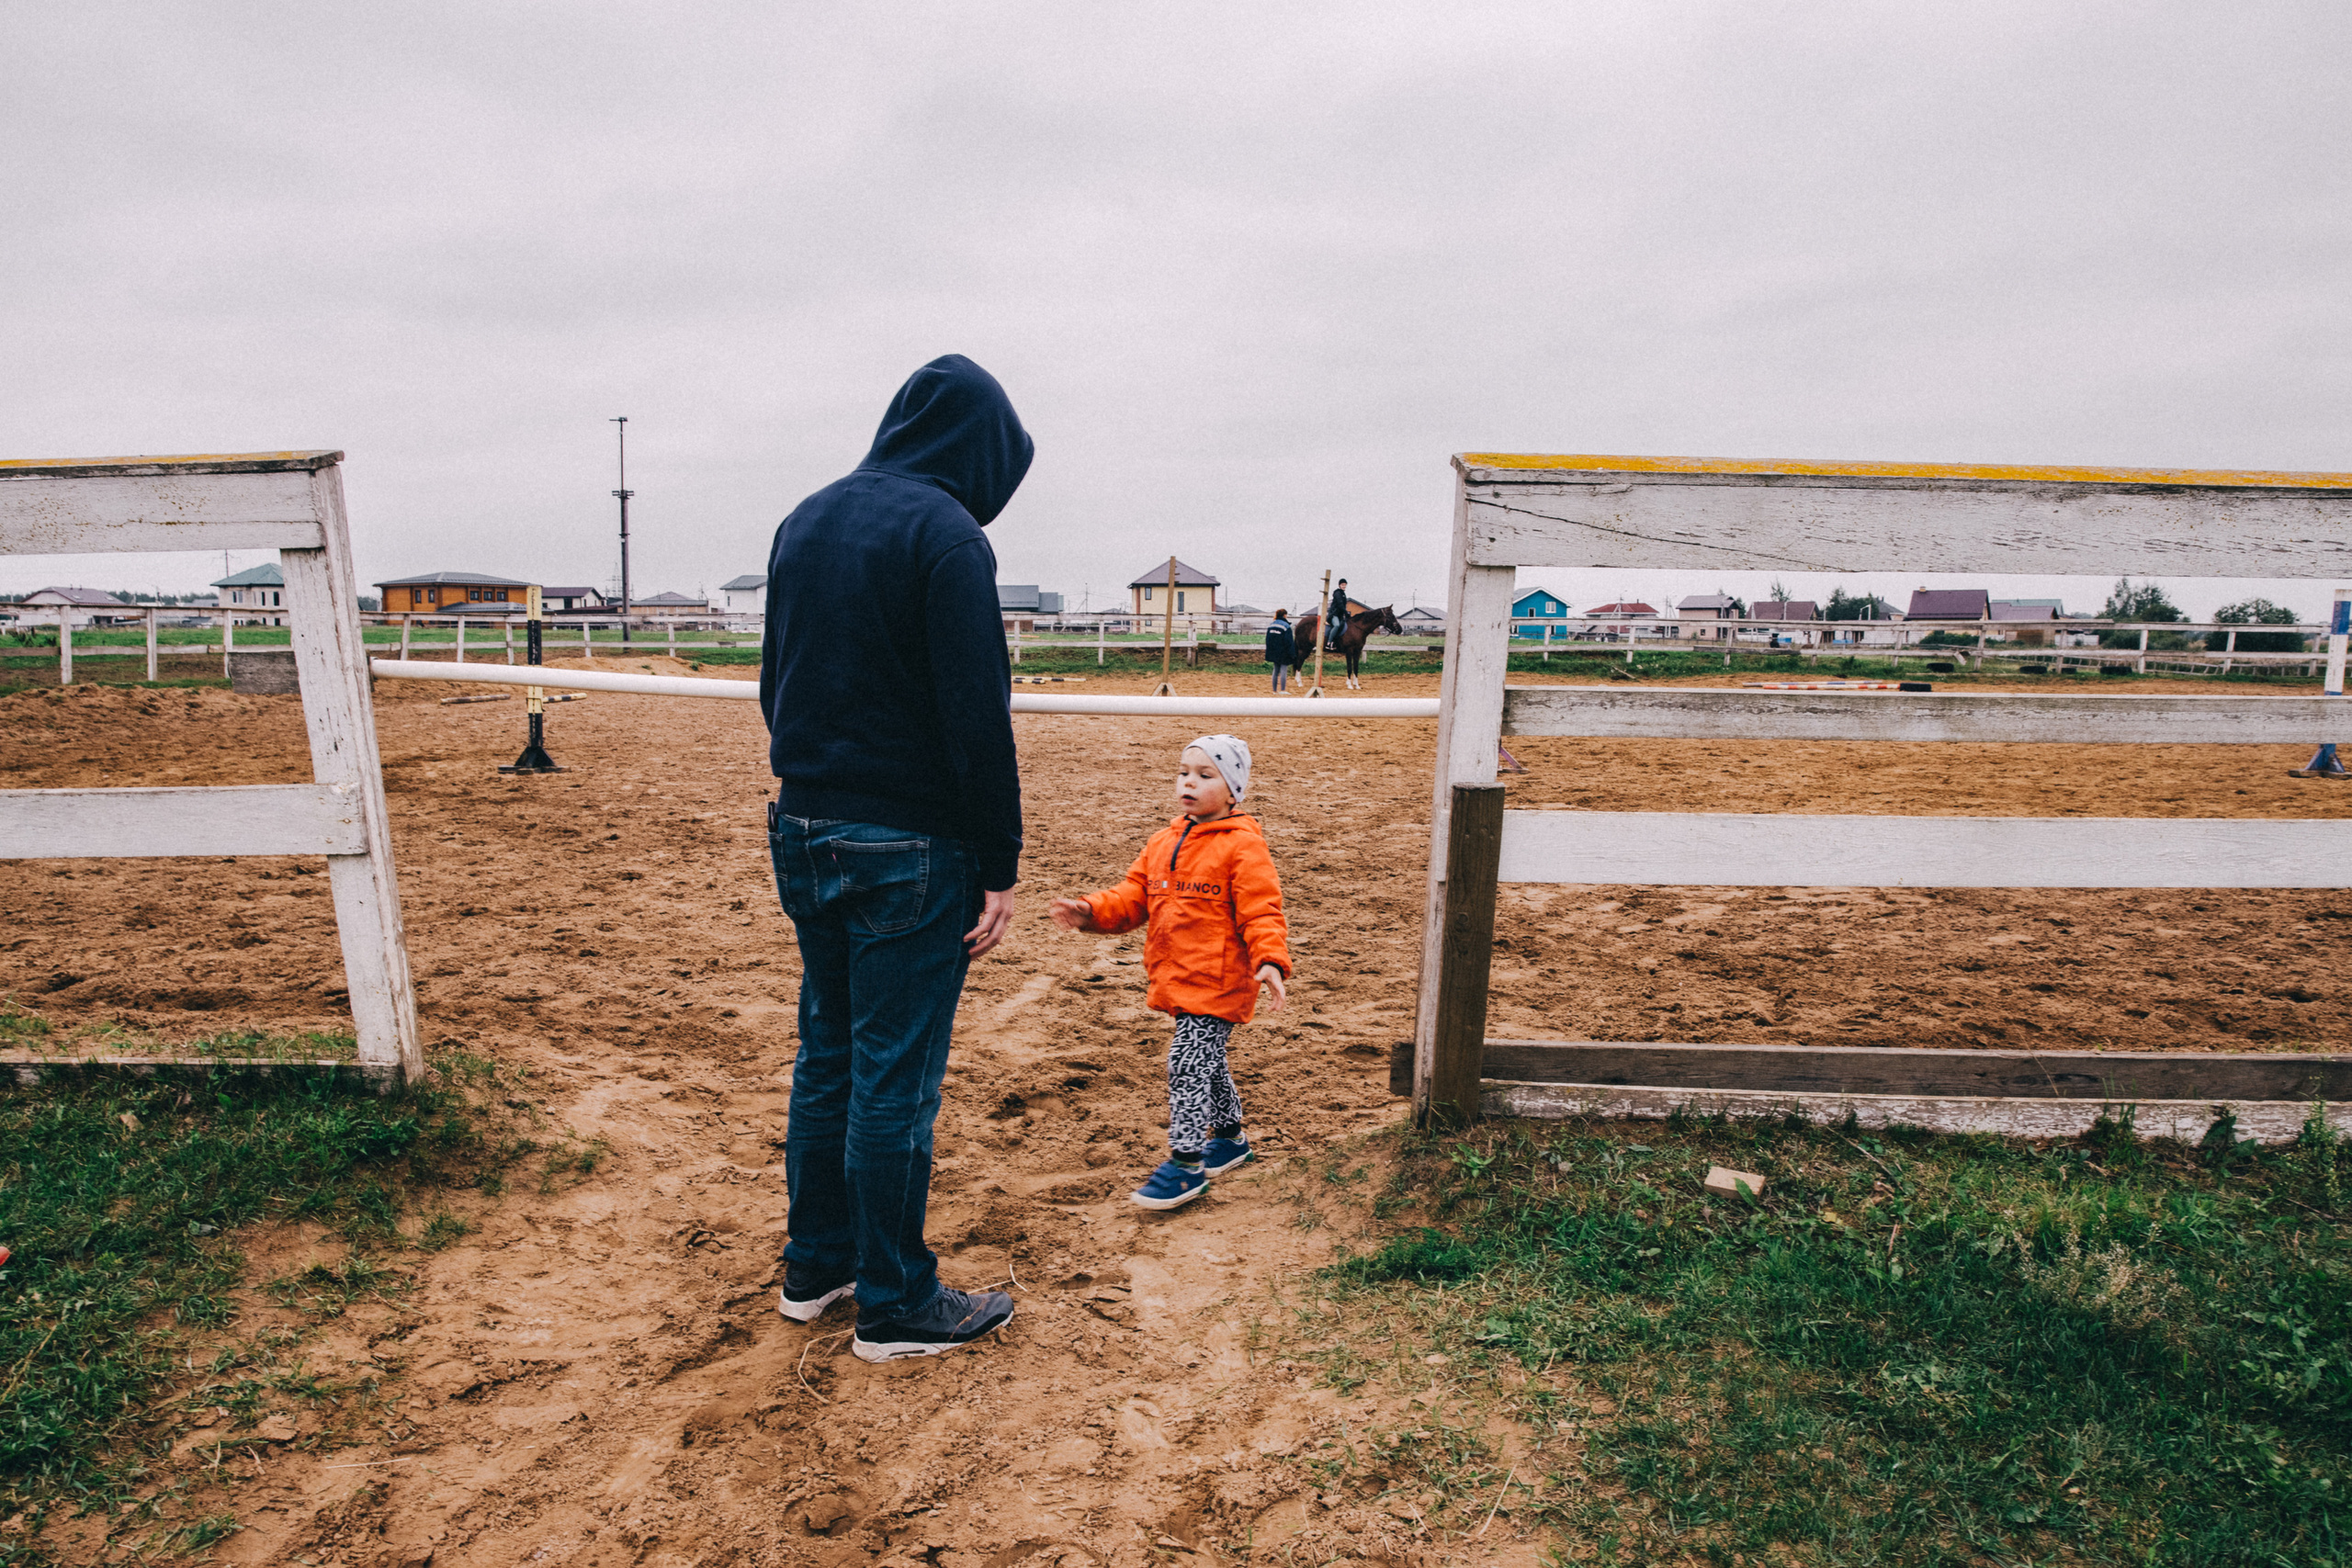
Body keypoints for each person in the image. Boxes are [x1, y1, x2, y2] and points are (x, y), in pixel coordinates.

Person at [759, 355, 1030, 1362]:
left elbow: (774, 679)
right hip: (909, 847)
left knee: (825, 1054)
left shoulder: (808, 517)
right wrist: (997, 859)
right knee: (894, 1077)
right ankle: (896, 1300)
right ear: (981, 452)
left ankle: (815, 1264)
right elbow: (976, 719)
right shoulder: (946, 536)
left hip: (803, 822)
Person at [1047, 736, 1290, 1212]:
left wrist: (1269, 960)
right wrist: (1090, 910)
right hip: (1176, 974)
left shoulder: (1243, 847)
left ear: (1234, 789)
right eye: (1184, 772)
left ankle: (1186, 1164)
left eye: (1205, 775)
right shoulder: (1163, 842)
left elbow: (1262, 911)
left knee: (1187, 1061)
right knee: (1206, 1059)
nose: (1189, 782)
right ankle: (1232, 1138)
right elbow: (1132, 897)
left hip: (1219, 978)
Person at [1264, 610, 1295, 694]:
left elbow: (1268, 639)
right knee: (1284, 670)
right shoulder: (1286, 626)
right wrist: (1291, 653)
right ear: (1284, 615)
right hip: (1283, 651)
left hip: (1273, 651)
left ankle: (1274, 690)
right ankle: (1283, 690)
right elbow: (1289, 641)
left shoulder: (1272, 625)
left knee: (1275, 670)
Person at [1326, 577, 1351, 651]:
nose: (1344, 586)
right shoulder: (1337, 593)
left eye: (1345, 585)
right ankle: (1329, 642)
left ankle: (1335, 642)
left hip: (1340, 615)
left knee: (1343, 626)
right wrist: (1346, 612)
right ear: (1339, 585)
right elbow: (1340, 605)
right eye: (1342, 584)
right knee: (1336, 625)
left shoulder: (1343, 594)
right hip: (1334, 614)